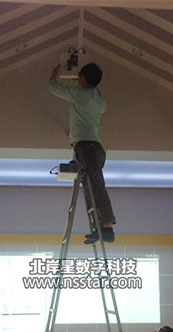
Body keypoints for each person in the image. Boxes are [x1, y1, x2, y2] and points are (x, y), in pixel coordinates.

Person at [48, 62, 116, 244]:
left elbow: (53, 88)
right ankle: (100, 228)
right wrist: (95, 86)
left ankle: (107, 226)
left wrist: (54, 72)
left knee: (96, 186)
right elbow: (102, 102)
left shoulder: (79, 94)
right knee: (92, 187)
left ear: (83, 79)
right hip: (95, 148)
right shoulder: (99, 102)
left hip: (86, 148)